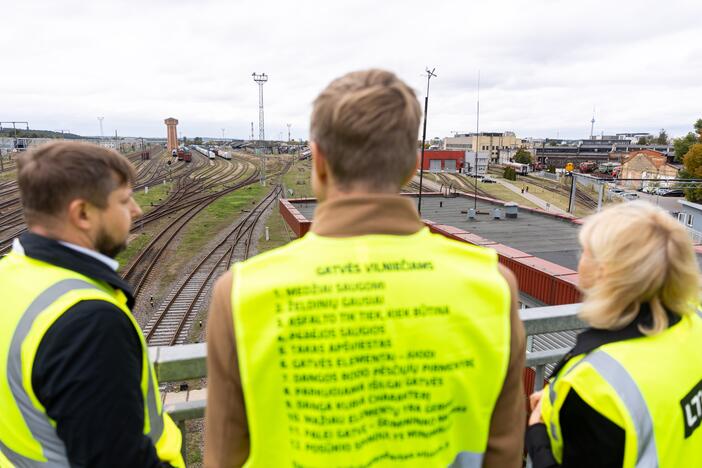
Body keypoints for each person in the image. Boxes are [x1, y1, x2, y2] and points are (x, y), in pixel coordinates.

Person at [205, 69, 526, 467]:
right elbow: (504, 453)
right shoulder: (492, 287)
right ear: (411, 165)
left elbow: (224, 458)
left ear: (318, 160)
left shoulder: (242, 295)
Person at [0, 142, 184, 467]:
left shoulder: (10, 278)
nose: (137, 210)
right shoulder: (88, 323)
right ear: (83, 214)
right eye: (124, 200)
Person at [526, 201, 702, 467]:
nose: (580, 259)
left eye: (586, 251)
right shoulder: (694, 321)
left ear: (605, 273)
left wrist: (537, 429)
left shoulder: (595, 388)